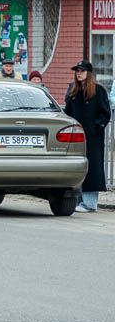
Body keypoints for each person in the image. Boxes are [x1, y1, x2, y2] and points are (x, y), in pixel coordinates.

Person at [64, 60, 111, 213]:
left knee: (93, 168)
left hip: (93, 137)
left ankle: (90, 203)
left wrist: (96, 127)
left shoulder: (98, 90)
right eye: (77, 71)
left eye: (82, 71)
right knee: (78, 167)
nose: (79, 73)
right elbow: (68, 112)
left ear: (89, 73)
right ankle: (78, 200)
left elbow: (105, 113)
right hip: (77, 136)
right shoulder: (73, 91)